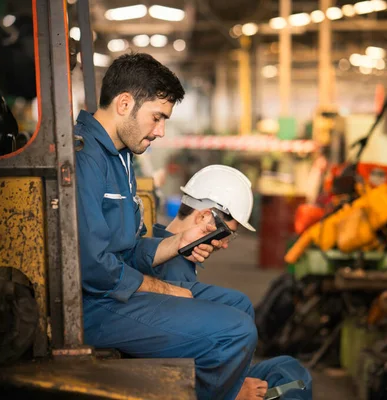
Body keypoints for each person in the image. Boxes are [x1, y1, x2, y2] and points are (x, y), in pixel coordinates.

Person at [75, 52, 261, 400]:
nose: (160, 131)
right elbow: (93, 268)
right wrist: (161, 290)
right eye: (157, 118)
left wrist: (179, 241)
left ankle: (224, 386)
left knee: (240, 307)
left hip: (119, 291)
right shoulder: (85, 158)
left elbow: (128, 250)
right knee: (236, 332)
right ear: (124, 103)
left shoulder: (123, 157)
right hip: (96, 306)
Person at [153, 165, 313, 400]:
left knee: (289, 372)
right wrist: (230, 392)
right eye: (225, 234)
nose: (225, 245)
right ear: (204, 216)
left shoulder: (166, 249)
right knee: (291, 382)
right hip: (195, 385)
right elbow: (161, 362)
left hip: (210, 374)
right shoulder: (168, 266)